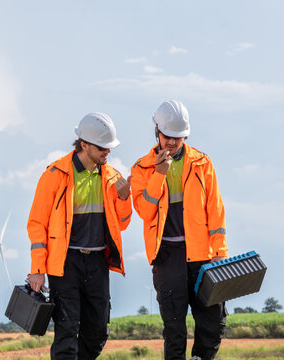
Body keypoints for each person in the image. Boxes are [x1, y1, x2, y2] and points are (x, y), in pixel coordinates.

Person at [27, 112, 132, 360]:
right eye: (102, 147)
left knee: (98, 332)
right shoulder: (54, 175)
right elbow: (36, 224)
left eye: (109, 147)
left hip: (97, 263)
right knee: (67, 330)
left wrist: (125, 198)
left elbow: (123, 224)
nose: (107, 152)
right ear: (84, 144)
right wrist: (37, 268)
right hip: (65, 264)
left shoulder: (112, 178)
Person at [130, 100, 228, 360]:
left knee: (213, 324)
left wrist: (219, 250)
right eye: (167, 136)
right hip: (167, 257)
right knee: (174, 331)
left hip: (202, 257)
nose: (172, 142)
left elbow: (215, 208)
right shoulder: (141, 169)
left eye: (178, 137)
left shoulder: (202, 163)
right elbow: (144, 211)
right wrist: (159, 173)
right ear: (157, 132)